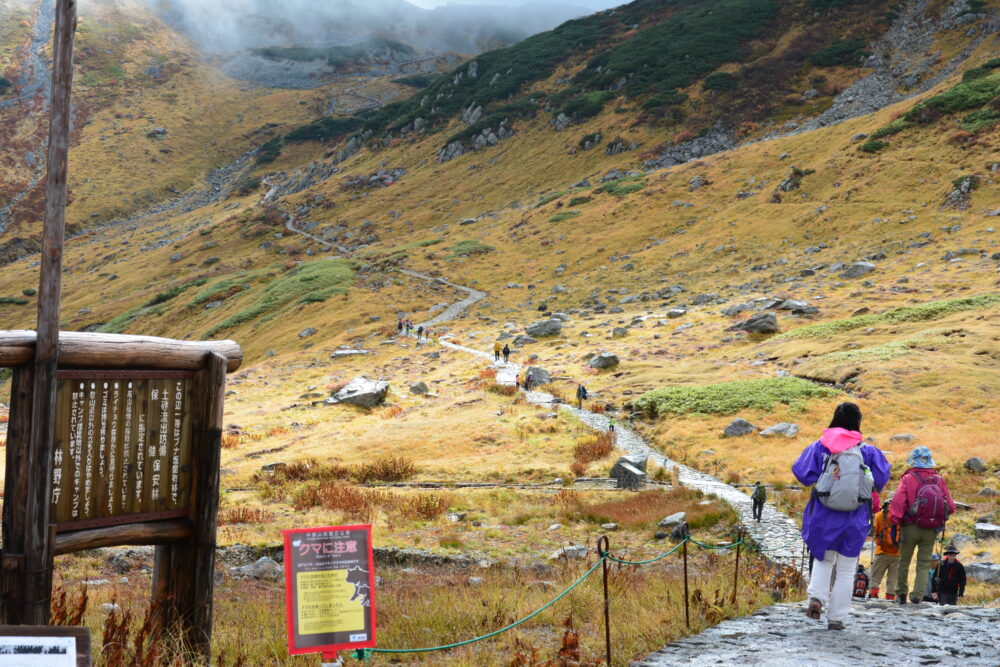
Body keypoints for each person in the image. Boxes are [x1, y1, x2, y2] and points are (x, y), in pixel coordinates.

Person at [793, 402, 889, 630]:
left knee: (823, 558)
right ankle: (836, 618)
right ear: (858, 422)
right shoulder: (868, 451)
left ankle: (816, 598)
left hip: (824, 514)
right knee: (846, 568)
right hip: (855, 517)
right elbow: (881, 480)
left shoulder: (820, 446)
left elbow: (802, 474)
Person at [889, 446, 956, 604]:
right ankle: (917, 595)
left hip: (910, 526)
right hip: (931, 529)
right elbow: (951, 507)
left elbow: (898, 502)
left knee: (904, 560)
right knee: (924, 562)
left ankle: (901, 593)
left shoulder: (908, 478)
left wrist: (895, 521)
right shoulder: (939, 480)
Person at [869, 497, 900, 600]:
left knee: (875, 576)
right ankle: (890, 596)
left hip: (881, 551)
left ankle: (873, 594)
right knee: (893, 578)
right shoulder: (902, 516)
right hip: (897, 553)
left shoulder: (878, 516)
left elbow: (875, 533)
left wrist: (878, 541)